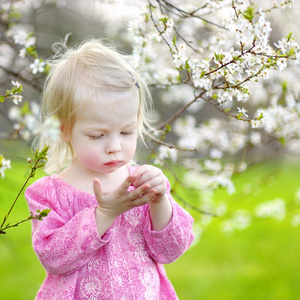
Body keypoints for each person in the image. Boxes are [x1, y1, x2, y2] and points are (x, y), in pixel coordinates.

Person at [25, 38, 194, 300]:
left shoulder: (140, 183)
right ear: (63, 130)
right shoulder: (48, 194)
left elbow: (169, 250)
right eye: (97, 135)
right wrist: (103, 213)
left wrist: (161, 201)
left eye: (126, 132)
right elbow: (54, 258)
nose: (114, 146)